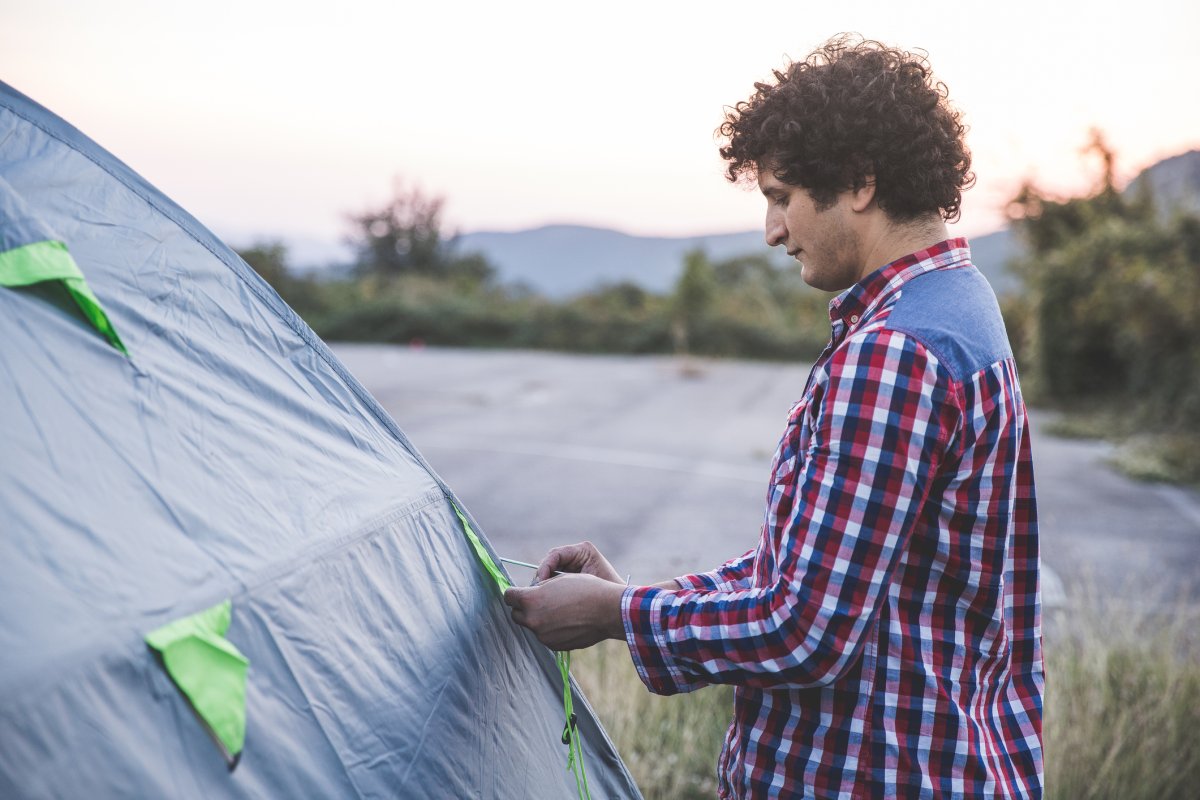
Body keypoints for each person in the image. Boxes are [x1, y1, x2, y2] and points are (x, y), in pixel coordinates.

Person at [504, 34, 1043, 799]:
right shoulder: (960, 304)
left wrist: (617, 616)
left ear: (859, 183)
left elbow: (805, 632)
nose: (772, 231)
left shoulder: (894, 352)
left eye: (781, 196)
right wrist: (641, 596)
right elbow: (817, 576)